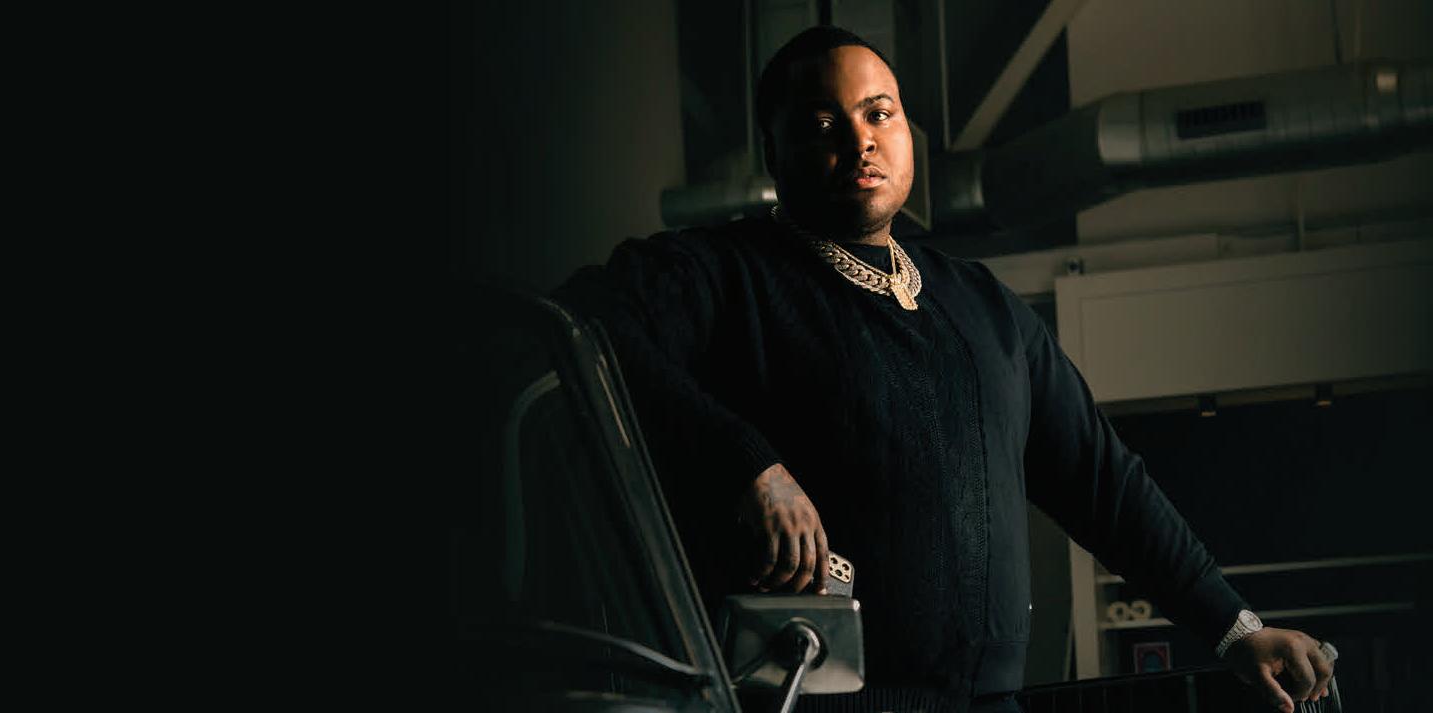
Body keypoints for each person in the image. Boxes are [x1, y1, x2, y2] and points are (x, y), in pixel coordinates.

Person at [551, 26, 1335, 713]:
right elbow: (585, 323)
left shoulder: (985, 308)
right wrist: (746, 465)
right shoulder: (724, 273)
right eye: (822, 123)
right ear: (773, 152)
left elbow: (1107, 487)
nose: (859, 140)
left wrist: (1235, 627)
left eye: (878, 113)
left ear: (907, 133)